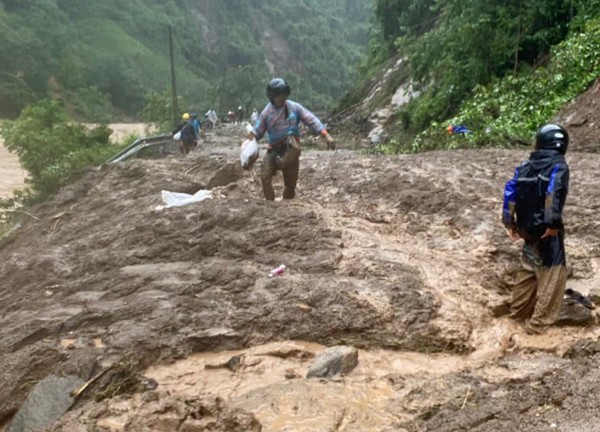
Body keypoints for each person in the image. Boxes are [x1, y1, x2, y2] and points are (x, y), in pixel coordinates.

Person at [502, 123, 570, 335]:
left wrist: (509, 222)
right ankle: (537, 327)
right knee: (553, 275)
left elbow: (510, 193)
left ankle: (516, 315)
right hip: (547, 232)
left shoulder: (524, 167)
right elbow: (553, 194)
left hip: (526, 229)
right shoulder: (559, 166)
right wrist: (553, 224)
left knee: (529, 268)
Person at [247, 77, 334, 201]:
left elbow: (311, 119)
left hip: (291, 150)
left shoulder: (294, 107)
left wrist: (326, 135)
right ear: (271, 96)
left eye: (284, 94)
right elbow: (258, 131)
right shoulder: (266, 113)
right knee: (265, 177)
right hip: (274, 150)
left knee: (290, 188)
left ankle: (287, 204)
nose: (281, 98)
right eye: (278, 95)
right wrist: (250, 138)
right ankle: (270, 205)